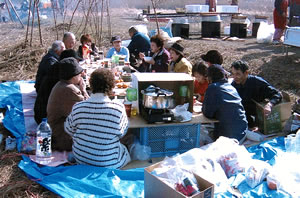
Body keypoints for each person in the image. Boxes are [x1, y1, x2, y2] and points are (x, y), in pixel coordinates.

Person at [64, 68, 131, 168]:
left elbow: (68, 129)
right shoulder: (118, 108)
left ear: (90, 85)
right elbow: (121, 133)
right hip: (109, 163)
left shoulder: (78, 107)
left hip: (81, 159)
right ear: (112, 86)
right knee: (127, 147)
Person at [47, 57, 88, 151]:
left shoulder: (61, 84)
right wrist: (84, 90)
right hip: (61, 135)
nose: (81, 75)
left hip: (58, 128)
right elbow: (88, 110)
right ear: (73, 76)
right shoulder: (70, 90)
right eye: (79, 74)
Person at [34, 49, 83, 124]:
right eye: (76, 62)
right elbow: (83, 109)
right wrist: (83, 90)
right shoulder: (63, 82)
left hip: (42, 113)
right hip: (44, 119)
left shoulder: (57, 70)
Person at [202, 64, 247, 142]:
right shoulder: (231, 87)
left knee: (201, 133)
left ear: (210, 77)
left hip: (227, 137)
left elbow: (208, 113)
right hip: (242, 132)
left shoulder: (213, 87)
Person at [231, 60, 282, 128]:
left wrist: (270, 105)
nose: (234, 77)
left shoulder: (257, 82)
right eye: (233, 74)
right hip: (245, 116)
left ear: (246, 73)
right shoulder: (234, 84)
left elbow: (277, 94)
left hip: (259, 115)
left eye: (237, 74)